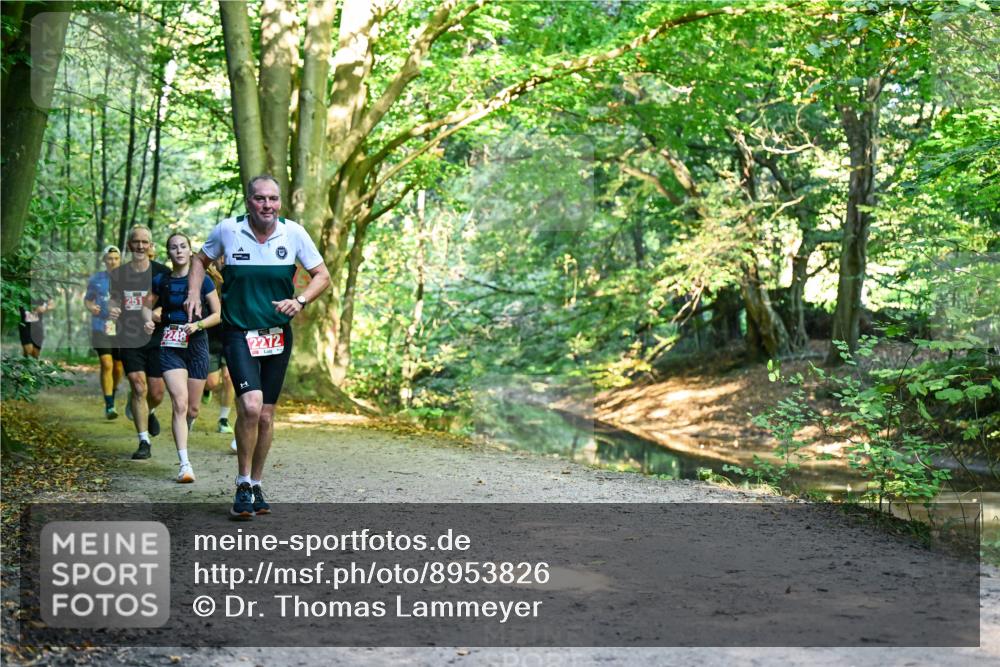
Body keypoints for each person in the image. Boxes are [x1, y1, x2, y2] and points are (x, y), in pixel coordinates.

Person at [187, 174, 330, 519]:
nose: (267, 205)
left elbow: (322, 275)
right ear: (248, 200)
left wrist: (300, 300)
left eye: (273, 199)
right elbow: (198, 260)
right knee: (249, 407)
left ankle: (256, 483)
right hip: (239, 332)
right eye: (260, 199)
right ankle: (242, 482)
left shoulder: (293, 233)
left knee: (266, 415)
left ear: (279, 202)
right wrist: (194, 292)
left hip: (277, 335)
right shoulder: (228, 230)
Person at [143, 232, 221, 483]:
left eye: (183, 246)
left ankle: (184, 434)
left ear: (190, 251)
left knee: (193, 409)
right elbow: (146, 306)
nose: (178, 251)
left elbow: (218, 314)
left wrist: (198, 326)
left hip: (197, 343)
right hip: (170, 344)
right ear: (168, 253)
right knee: (179, 402)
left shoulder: (204, 281)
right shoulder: (161, 280)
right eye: (173, 247)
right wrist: (148, 320)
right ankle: (184, 464)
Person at [109, 225, 170, 460]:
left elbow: (170, 302)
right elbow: (114, 300)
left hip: (156, 337)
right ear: (129, 245)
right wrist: (113, 309)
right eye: (137, 242)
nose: (141, 246)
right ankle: (144, 441)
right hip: (129, 336)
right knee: (138, 386)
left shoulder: (162, 272)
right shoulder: (118, 274)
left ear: (151, 245)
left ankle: (149, 410)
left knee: (156, 392)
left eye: (145, 242)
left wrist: (157, 313)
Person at [84, 245, 125, 419]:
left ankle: (112, 394)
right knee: (106, 364)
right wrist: (91, 307)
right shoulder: (96, 279)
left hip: (122, 329)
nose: (113, 261)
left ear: (120, 260)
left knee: (118, 368)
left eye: (116, 258)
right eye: (109, 258)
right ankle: (109, 405)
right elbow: (88, 300)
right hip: (100, 326)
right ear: (104, 260)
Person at [203, 257, 236, 438]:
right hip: (211, 337)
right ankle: (206, 390)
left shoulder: (237, 272)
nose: (223, 258)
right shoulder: (207, 276)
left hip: (232, 336)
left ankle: (223, 419)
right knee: (212, 382)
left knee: (229, 377)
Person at [18, 293, 54, 358]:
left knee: (35, 354)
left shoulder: (42, 291)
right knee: (29, 351)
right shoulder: (22, 289)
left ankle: (31, 365)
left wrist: (44, 307)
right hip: (26, 325)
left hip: (38, 326)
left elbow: (52, 304)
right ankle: (25, 362)